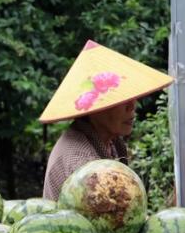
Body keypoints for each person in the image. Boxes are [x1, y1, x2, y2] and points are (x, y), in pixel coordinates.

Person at [39, 41, 172, 199]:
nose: (132, 107)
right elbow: (111, 219)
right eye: (121, 100)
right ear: (96, 109)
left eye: (132, 98)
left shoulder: (109, 141)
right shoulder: (83, 163)